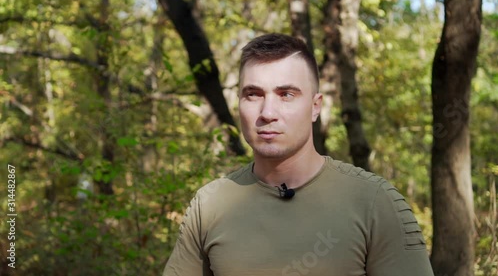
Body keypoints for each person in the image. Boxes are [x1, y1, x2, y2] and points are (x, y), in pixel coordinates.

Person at [163, 33, 434, 276]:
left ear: (315, 107)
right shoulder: (209, 206)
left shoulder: (375, 203)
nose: (268, 113)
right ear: (239, 104)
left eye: (286, 94)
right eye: (253, 94)